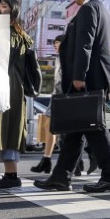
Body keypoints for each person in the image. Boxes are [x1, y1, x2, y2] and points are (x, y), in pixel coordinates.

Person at [34, 0, 110, 193]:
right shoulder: (100, 9)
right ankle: (61, 177)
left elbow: (85, 44)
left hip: (89, 79)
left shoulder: (89, 9)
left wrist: (78, 77)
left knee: (95, 128)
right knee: (75, 128)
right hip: (94, 77)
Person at [0, 0, 34, 190]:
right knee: (2, 127)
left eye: (3, 6)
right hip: (11, 86)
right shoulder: (21, 34)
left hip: (5, 84)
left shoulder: (7, 33)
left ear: (13, 11)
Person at [31, 35, 65, 174]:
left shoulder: (67, 57)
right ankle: (46, 159)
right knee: (49, 126)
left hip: (64, 96)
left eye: (58, 42)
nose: (56, 45)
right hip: (57, 95)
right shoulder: (58, 58)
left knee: (59, 129)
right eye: (55, 43)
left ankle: (48, 160)